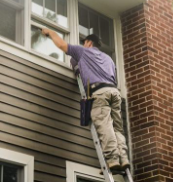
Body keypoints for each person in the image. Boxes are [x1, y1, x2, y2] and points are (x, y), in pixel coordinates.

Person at [41, 28, 130, 172]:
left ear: (88, 42)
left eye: (84, 43)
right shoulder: (109, 59)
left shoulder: (83, 52)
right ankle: (124, 158)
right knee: (117, 128)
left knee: (105, 124)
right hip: (114, 92)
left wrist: (50, 32)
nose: (83, 45)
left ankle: (113, 160)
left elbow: (62, 45)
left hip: (99, 92)